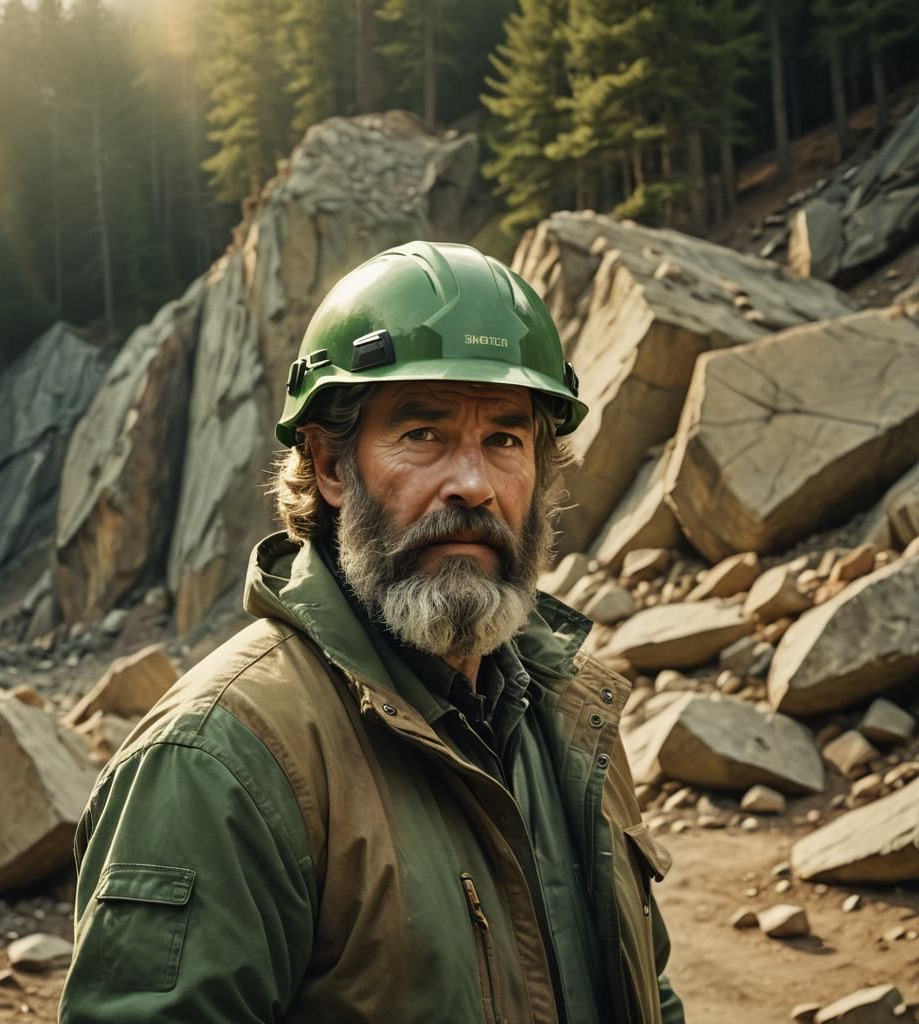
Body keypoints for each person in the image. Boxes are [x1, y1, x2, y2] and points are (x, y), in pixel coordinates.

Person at [59, 241, 684, 1024]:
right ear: (327, 464)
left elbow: (644, 988)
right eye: (423, 433)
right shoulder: (218, 763)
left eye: (505, 439)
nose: (474, 484)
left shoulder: (571, 711)